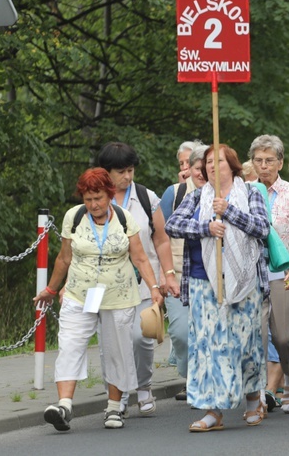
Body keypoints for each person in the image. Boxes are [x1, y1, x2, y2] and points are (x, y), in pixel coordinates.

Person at [35, 168, 163, 431]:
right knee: (70, 344)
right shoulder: (74, 216)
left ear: (109, 194)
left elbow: (139, 258)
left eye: (98, 198)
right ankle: (64, 406)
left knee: (116, 349)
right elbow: (64, 258)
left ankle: (115, 408)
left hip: (117, 294)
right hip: (80, 293)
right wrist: (51, 289)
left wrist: (154, 288)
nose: (93, 205)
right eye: (88, 198)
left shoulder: (125, 219)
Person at [165, 144, 271, 431]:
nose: (212, 166)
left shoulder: (251, 193)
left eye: (218, 161)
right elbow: (173, 226)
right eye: (208, 162)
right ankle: (213, 411)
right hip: (203, 281)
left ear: (233, 166)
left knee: (245, 344)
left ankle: (252, 401)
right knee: (208, 346)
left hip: (244, 283)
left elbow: (263, 228)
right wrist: (205, 228)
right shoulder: (199, 197)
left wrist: (230, 212)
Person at [96, 142, 180, 417]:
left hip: (145, 280)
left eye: (130, 170)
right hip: (107, 286)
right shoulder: (95, 199)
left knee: (140, 337)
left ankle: (143, 386)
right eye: (121, 171)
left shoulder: (146, 197)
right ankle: (117, 395)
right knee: (112, 342)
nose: (128, 177)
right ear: (106, 172)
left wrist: (167, 275)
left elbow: (161, 239)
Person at [249, 135, 289, 414]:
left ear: (281, 163)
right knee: (256, 335)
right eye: (258, 160)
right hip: (251, 273)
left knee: (284, 336)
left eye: (269, 160)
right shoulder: (245, 192)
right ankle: (259, 392)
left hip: (283, 272)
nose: (264, 166)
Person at [159, 144, 208, 401]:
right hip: (178, 276)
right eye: (197, 168)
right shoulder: (175, 193)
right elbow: (161, 237)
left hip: (213, 278)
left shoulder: (225, 195)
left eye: (206, 169)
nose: (201, 174)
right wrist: (164, 274)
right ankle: (189, 375)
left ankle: (199, 383)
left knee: (207, 333)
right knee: (181, 334)